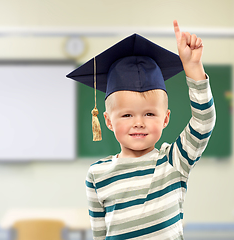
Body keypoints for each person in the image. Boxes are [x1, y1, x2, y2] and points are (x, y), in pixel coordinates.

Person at [66, 20, 216, 239]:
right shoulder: (97, 174)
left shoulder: (174, 160)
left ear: (165, 119)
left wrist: (193, 68)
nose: (139, 122)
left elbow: (204, 122)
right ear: (108, 121)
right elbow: (99, 233)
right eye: (127, 115)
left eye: (149, 114)